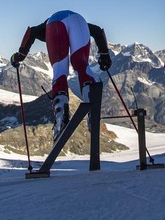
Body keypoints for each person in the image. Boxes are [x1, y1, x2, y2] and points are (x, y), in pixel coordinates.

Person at [10, 10, 112, 140]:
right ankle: (92, 102)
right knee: (82, 65)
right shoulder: (80, 21)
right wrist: (104, 54)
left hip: (54, 22)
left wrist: (20, 55)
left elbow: (32, 32)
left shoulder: (45, 25)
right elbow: (97, 31)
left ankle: (61, 113)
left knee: (60, 69)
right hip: (79, 20)